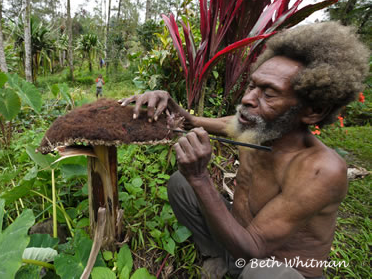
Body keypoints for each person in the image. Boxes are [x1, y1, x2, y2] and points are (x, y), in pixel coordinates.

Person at [119, 22, 369, 279]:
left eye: (269, 94)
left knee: (260, 273)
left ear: (313, 111)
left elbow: (255, 247)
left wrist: (200, 177)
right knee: (180, 183)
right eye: (253, 86)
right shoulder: (258, 128)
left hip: (275, 266)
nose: (248, 99)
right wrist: (174, 107)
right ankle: (216, 256)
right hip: (236, 240)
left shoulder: (321, 169)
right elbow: (205, 122)